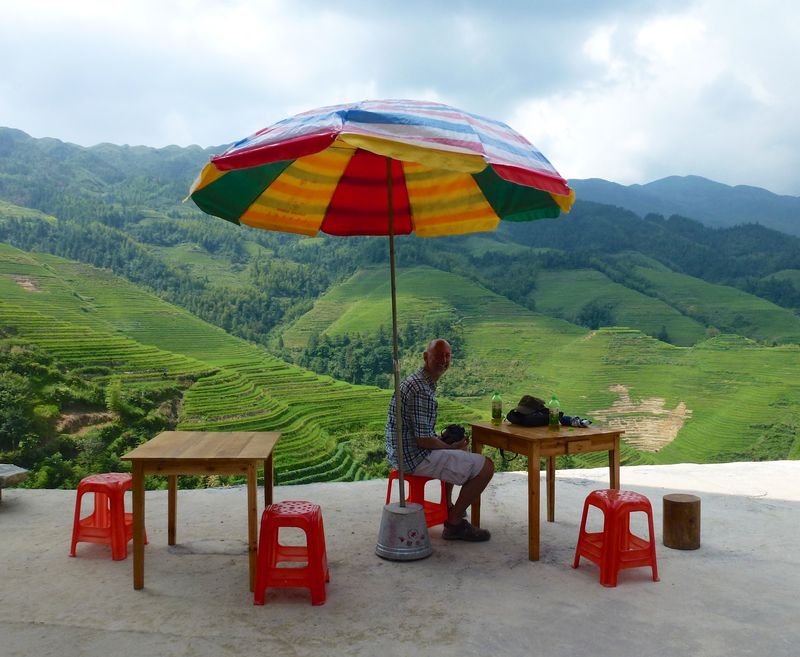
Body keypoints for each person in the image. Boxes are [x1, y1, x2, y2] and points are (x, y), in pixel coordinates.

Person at [385, 338, 494, 541]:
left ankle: (448, 505)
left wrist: (448, 445)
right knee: (486, 467)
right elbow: (424, 441)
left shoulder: (418, 381)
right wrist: (450, 447)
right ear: (426, 357)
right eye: (438, 356)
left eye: (447, 356)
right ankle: (453, 523)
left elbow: (421, 433)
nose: (443, 360)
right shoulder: (421, 390)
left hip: (400, 452)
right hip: (413, 458)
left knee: (457, 448)